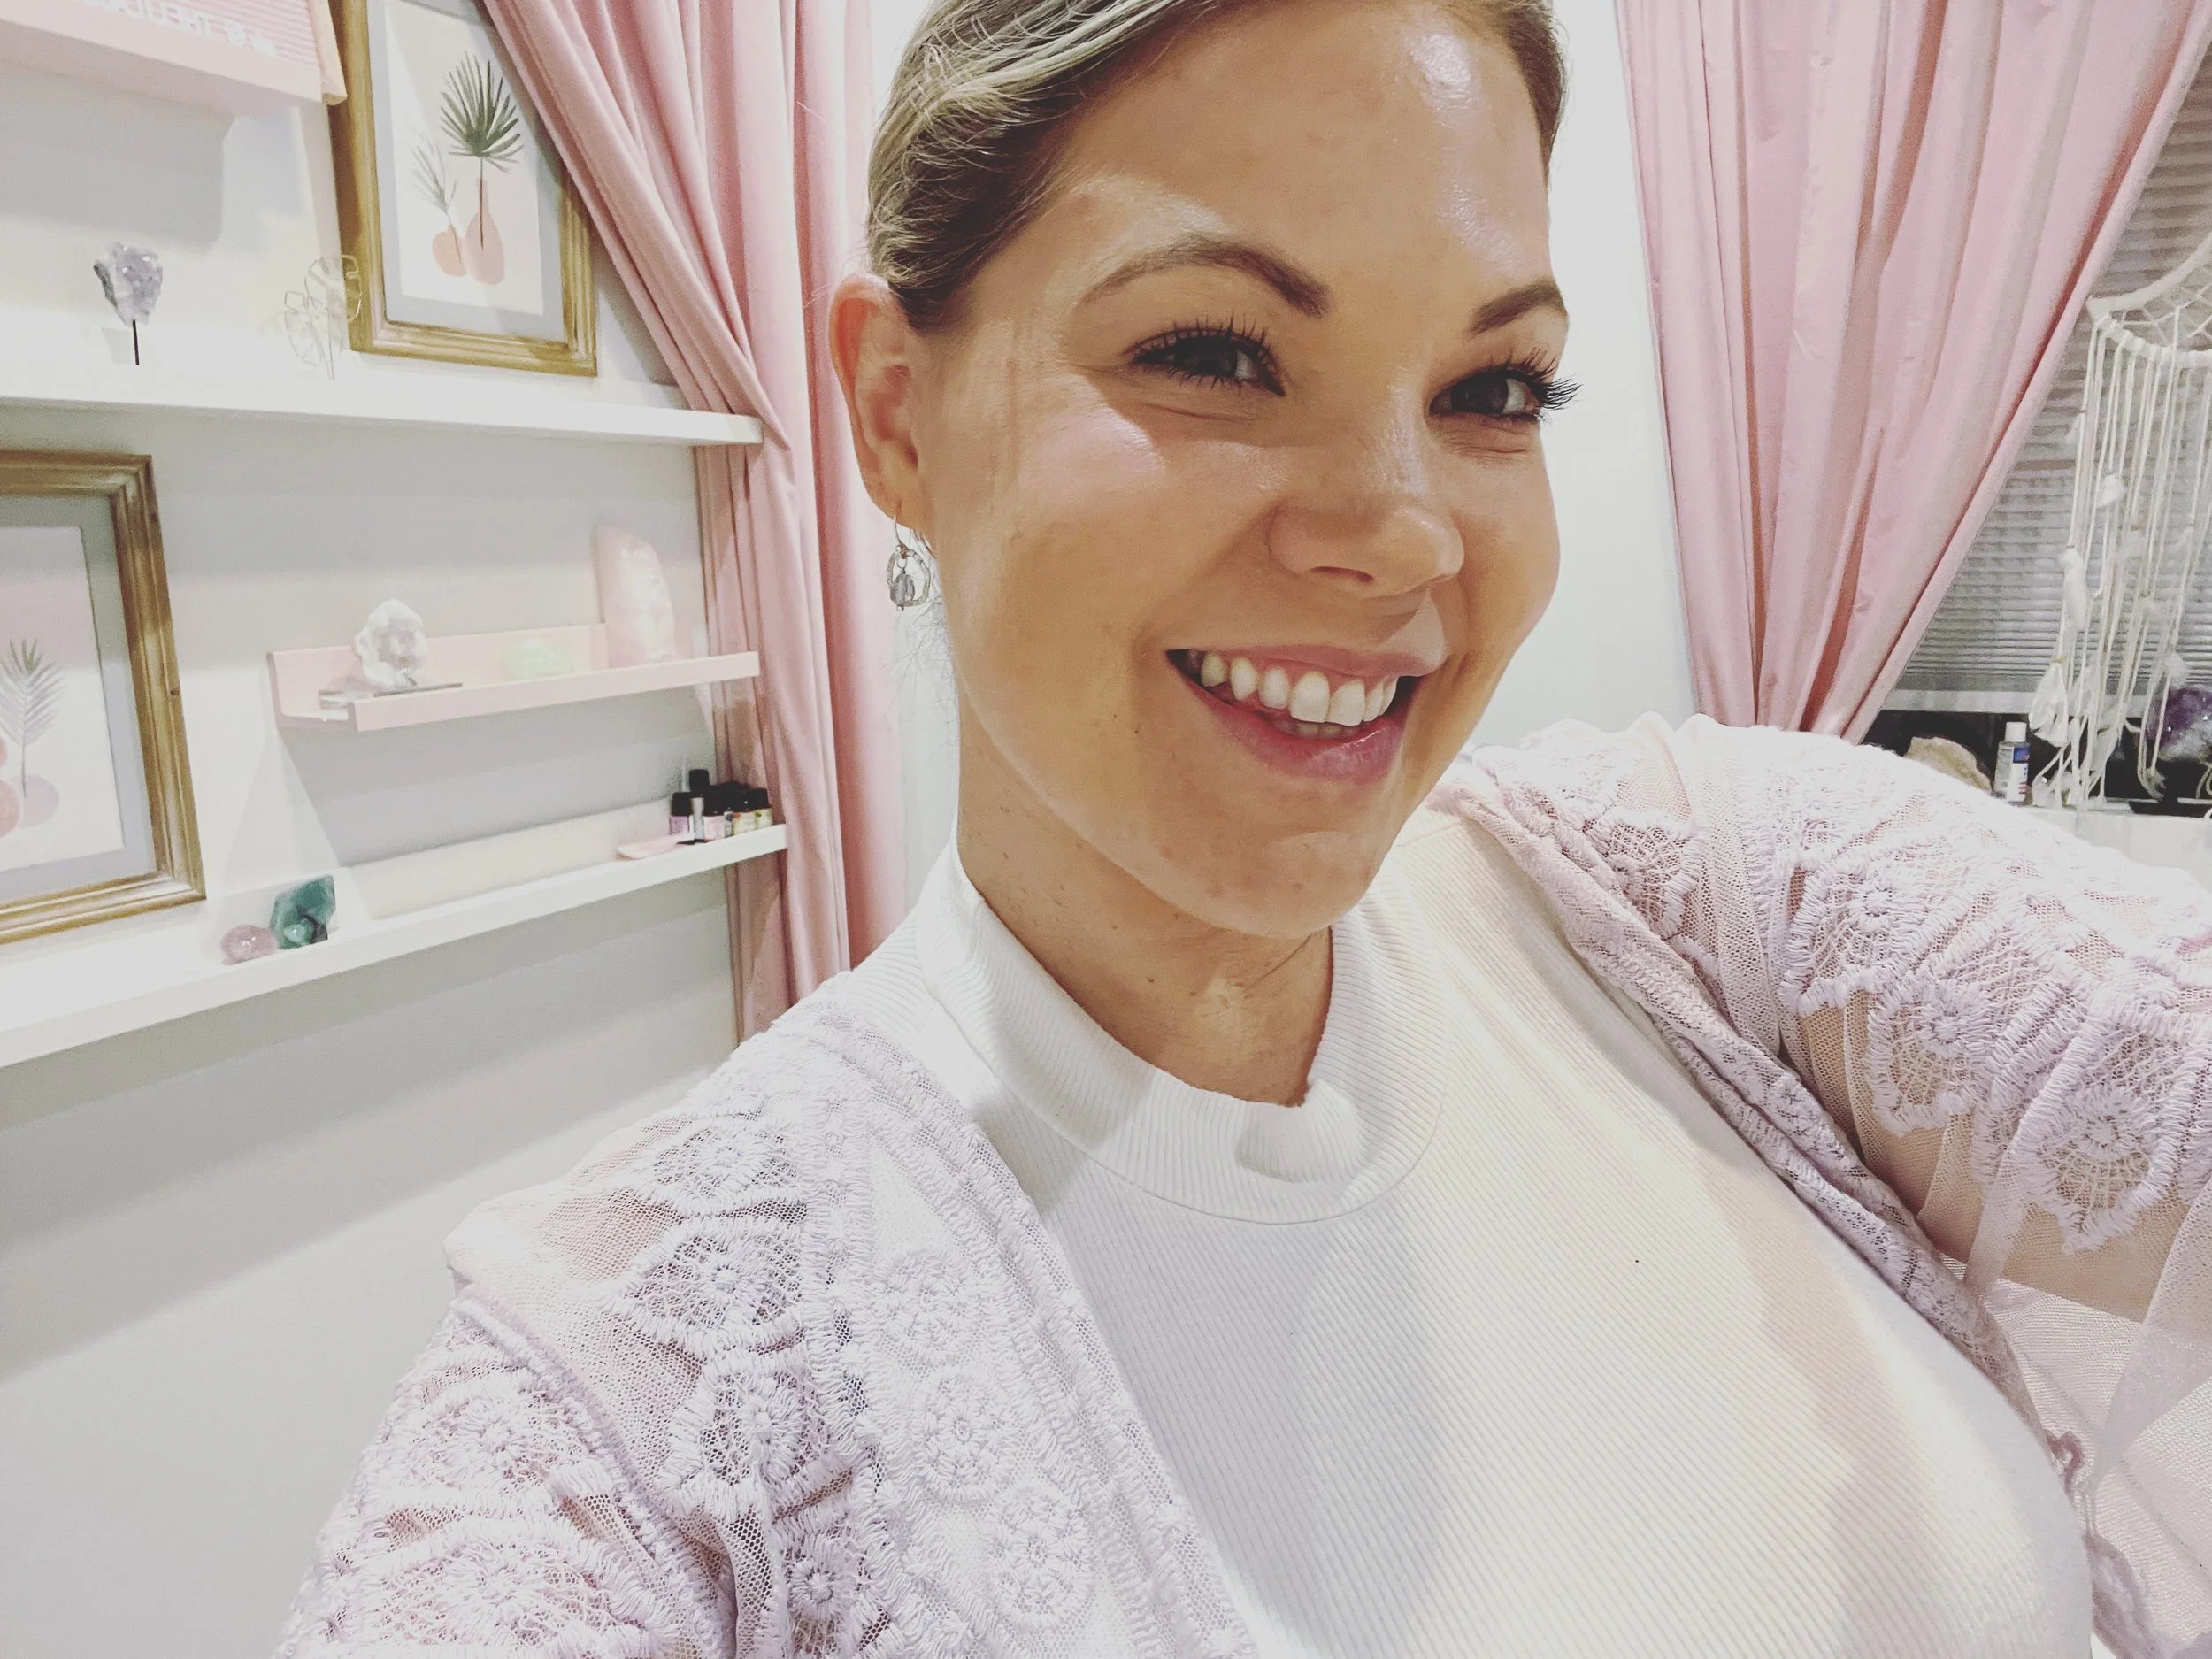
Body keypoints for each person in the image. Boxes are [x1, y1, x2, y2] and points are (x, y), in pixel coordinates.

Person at [277, 3, 2212, 1655]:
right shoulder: (642, 1398)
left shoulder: (1711, 902)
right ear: (894, 409)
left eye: (1489, 387)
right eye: (1210, 353)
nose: (1396, 530)